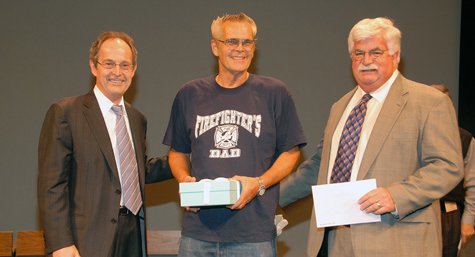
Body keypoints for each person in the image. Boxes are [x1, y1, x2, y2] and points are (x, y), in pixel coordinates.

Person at [280, 17, 463, 257]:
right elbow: (318, 167)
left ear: (395, 56)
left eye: (376, 52)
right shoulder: (340, 107)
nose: (366, 61)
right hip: (334, 240)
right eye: (358, 54)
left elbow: (448, 166)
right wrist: (267, 197)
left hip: (396, 241)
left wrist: (396, 196)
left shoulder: (429, 102)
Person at [163, 13, 306, 257]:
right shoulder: (189, 94)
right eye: (231, 42)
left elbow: (291, 152)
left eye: (247, 42)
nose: (240, 49)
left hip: (253, 235)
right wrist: (183, 179)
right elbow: (177, 151)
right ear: (215, 47)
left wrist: (259, 183)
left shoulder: (275, 93)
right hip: (197, 233)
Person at [37, 31, 172, 257]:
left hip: (132, 235)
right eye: (109, 64)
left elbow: (135, 171)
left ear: (133, 70)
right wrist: (61, 243)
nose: (117, 72)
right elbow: (52, 186)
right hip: (86, 241)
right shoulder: (66, 113)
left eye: (124, 65)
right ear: (93, 66)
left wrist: (182, 160)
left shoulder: (137, 119)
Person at [431, 84, 475, 257]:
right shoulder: (410, 135)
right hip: (415, 213)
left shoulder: (464, 139)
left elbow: (472, 185)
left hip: (447, 216)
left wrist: (468, 221)